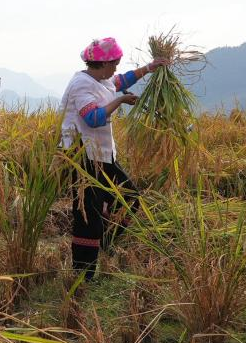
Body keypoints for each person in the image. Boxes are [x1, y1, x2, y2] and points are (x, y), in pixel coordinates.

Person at [58, 37, 166, 279]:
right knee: (88, 216)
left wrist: (149, 68)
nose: (116, 68)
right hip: (83, 158)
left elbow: (120, 81)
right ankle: (83, 275)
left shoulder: (101, 80)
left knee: (129, 198)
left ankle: (104, 244)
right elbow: (93, 118)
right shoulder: (81, 86)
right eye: (114, 63)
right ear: (102, 63)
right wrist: (120, 101)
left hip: (102, 155)